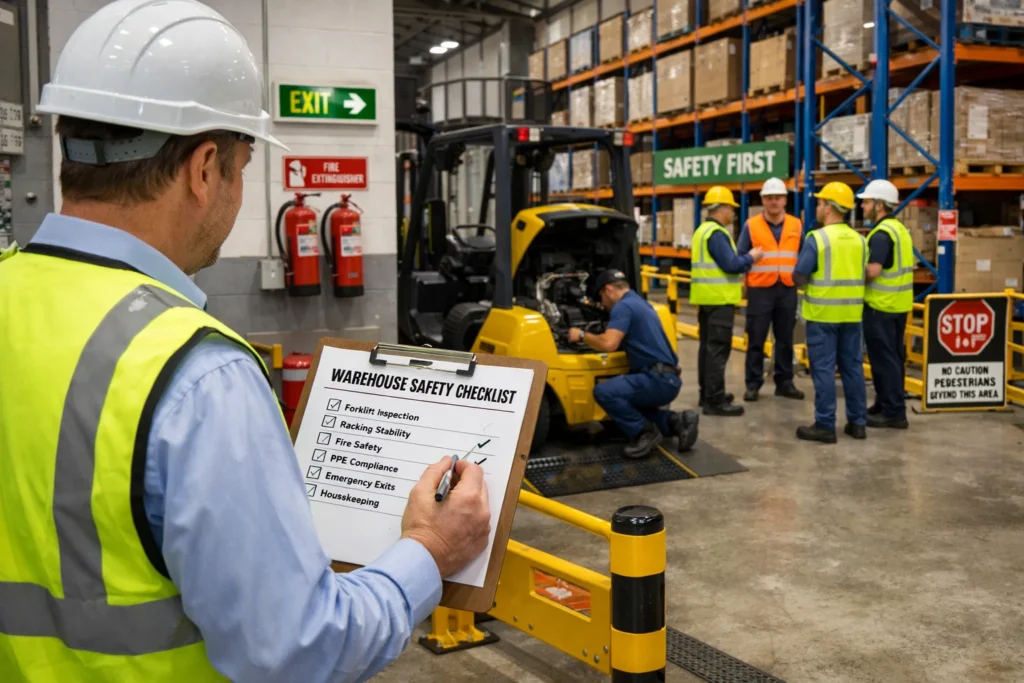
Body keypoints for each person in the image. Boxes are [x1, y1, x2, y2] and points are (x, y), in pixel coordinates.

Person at [0, 2, 491, 682]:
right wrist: (431, 548)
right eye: (241, 163)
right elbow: (296, 651)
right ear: (205, 169)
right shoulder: (197, 377)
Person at [568, 269, 700, 459]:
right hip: (668, 378)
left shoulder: (623, 307)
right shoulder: (640, 303)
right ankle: (677, 422)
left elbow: (608, 344)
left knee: (604, 392)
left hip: (656, 379)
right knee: (628, 411)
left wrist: (581, 335)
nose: (602, 303)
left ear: (608, 290)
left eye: (601, 297)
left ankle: (644, 433)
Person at [791, 182, 869, 443]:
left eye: (821, 202)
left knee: (823, 370)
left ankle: (825, 425)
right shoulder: (860, 240)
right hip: (852, 315)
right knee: (853, 368)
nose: (818, 206)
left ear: (829, 207)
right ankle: (858, 423)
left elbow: (799, 276)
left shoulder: (819, 239)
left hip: (823, 315)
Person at [691, 186, 764, 417]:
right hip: (719, 300)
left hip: (707, 299)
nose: (733, 213)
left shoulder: (702, 230)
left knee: (707, 349)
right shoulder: (717, 234)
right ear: (721, 209)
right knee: (717, 351)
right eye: (731, 209)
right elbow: (731, 265)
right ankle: (715, 401)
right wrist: (751, 257)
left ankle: (708, 394)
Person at [737, 177, 805, 403]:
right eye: (769, 198)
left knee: (785, 338)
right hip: (760, 289)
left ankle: (784, 382)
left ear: (785, 200)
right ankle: (753, 383)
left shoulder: (796, 225)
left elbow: (804, 255)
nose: (774, 202)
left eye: (777, 197)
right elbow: (741, 256)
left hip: (787, 288)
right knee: (756, 338)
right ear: (763, 200)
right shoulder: (751, 225)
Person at [858, 179, 913, 429]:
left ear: (880, 205)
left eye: (867, 202)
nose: (862, 206)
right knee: (892, 358)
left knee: (884, 360)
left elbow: (873, 270)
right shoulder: (899, 229)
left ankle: (893, 412)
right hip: (897, 306)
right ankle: (885, 403)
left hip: (881, 306)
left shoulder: (881, 235)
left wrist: (849, 271)